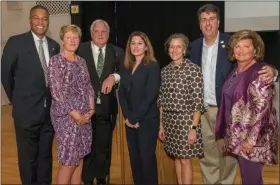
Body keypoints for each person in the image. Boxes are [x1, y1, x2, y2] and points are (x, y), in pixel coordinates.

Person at [189, 4, 278, 184]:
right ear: (199, 24)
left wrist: (274, 72)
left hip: (229, 112)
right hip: (203, 110)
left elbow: (257, 67)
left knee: (230, 158)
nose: (208, 24)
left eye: (212, 19)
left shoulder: (231, 42)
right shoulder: (194, 47)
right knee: (208, 156)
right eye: (204, 20)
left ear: (219, 22)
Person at [1, 5, 60, 185]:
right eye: (36, 18)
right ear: (30, 20)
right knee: (28, 160)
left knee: (45, 159)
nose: (40, 22)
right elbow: (5, 76)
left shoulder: (54, 46)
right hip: (25, 114)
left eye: (44, 19)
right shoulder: (16, 43)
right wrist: (18, 101)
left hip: (49, 115)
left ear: (48, 22)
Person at [216, 29, 278, 185]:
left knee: (251, 179)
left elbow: (261, 111)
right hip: (240, 135)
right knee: (247, 177)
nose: (241, 50)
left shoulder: (260, 73)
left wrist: (250, 141)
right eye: (237, 46)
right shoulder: (237, 70)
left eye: (246, 46)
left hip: (252, 139)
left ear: (255, 50)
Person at [77, 19, 125, 185]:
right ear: (91, 34)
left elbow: (125, 71)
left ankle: (102, 177)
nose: (100, 34)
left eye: (103, 32)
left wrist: (114, 77)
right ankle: (87, 179)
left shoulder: (117, 51)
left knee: (104, 146)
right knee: (86, 146)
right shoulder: (80, 49)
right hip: (83, 110)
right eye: (96, 31)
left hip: (106, 109)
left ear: (108, 34)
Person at [48, 24, 95, 184]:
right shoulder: (55, 61)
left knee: (80, 156)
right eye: (69, 37)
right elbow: (57, 93)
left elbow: (88, 86)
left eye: (75, 37)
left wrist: (91, 110)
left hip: (84, 116)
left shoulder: (81, 61)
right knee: (69, 161)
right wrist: (76, 115)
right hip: (66, 118)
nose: (72, 40)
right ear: (62, 39)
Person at [158, 33, 204, 184]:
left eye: (178, 47)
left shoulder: (194, 70)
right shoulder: (164, 71)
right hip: (169, 122)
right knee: (177, 158)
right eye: (172, 46)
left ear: (184, 50)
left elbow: (198, 103)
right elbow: (161, 101)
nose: (174, 50)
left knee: (185, 160)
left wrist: (193, 128)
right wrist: (161, 125)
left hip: (186, 122)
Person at [119, 31, 160, 185]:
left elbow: (150, 96)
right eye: (133, 43)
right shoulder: (126, 67)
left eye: (139, 43)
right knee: (135, 159)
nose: (136, 46)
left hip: (147, 121)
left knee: (146, 159)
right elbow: (122, 94)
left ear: (146, 47)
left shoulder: (152, 66)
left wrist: (135, 118)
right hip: (130, 121)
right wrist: (128, 117)